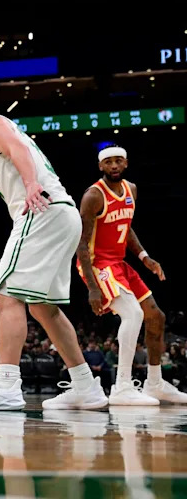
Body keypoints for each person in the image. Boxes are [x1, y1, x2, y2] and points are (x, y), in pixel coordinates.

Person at [0, 87, 107, 411]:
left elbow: (17, 146)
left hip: (41, 211)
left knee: (7, 297)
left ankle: (6, 386)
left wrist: (31, 183)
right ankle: (86, 387)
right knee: (42, 307)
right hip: (61, 213)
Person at [76, 146, 187, 404]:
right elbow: (81, 243)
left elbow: (126, 227)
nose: (114, 166)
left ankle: (155, 383)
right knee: (133, 313)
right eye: (108, 162)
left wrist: (144, 257)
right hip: (96, 264)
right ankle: (122, 387)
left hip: (119, 262)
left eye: (118, 161)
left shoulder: (131, 190)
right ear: (101, 166)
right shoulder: (93, 195)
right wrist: (92, 287)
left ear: (125, 163)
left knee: (155, 316)